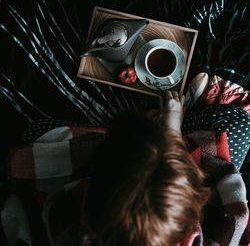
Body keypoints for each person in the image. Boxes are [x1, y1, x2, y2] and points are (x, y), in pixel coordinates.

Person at [1, 91, 250, 246]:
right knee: (238, 122)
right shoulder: (224, 229)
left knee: (35, 132)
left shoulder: (63, 219)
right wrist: (173, 130)